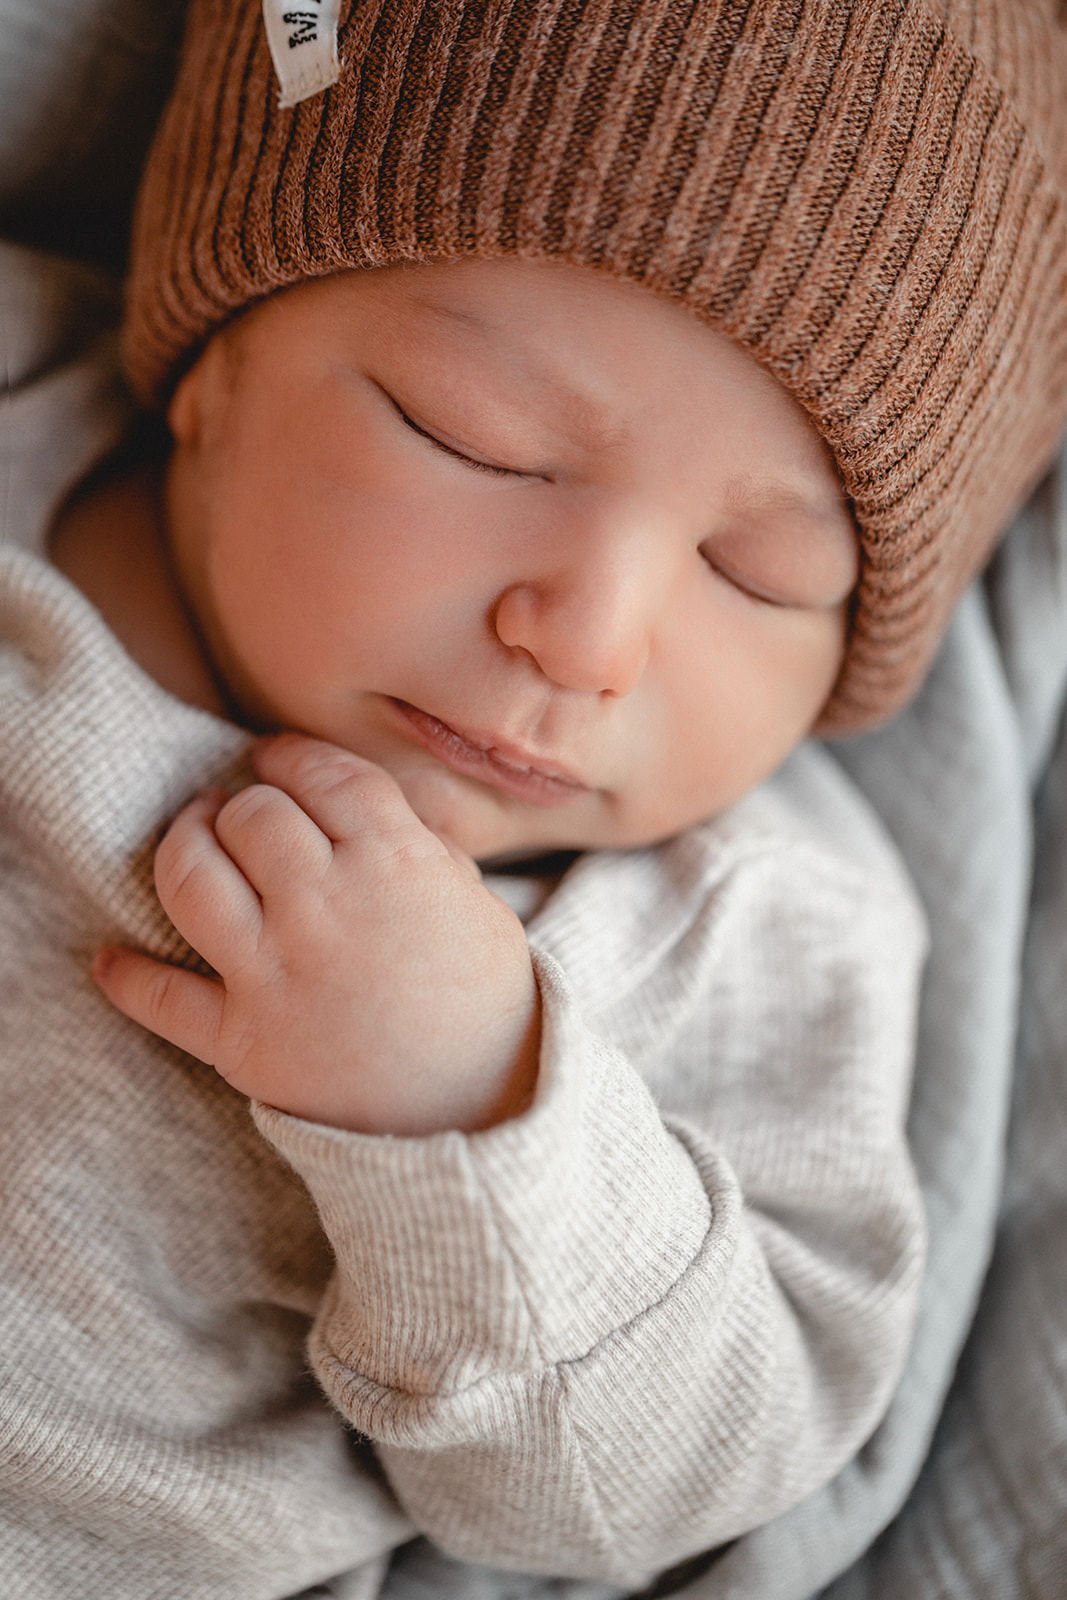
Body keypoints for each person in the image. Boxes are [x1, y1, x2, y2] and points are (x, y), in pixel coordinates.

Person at [2, 2, 1065, 1596]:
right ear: (216, 359)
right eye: (473, 438)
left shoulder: (752, 941)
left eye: (755, 575)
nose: (588, 634)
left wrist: (472, 1106)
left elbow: (668, 1486)